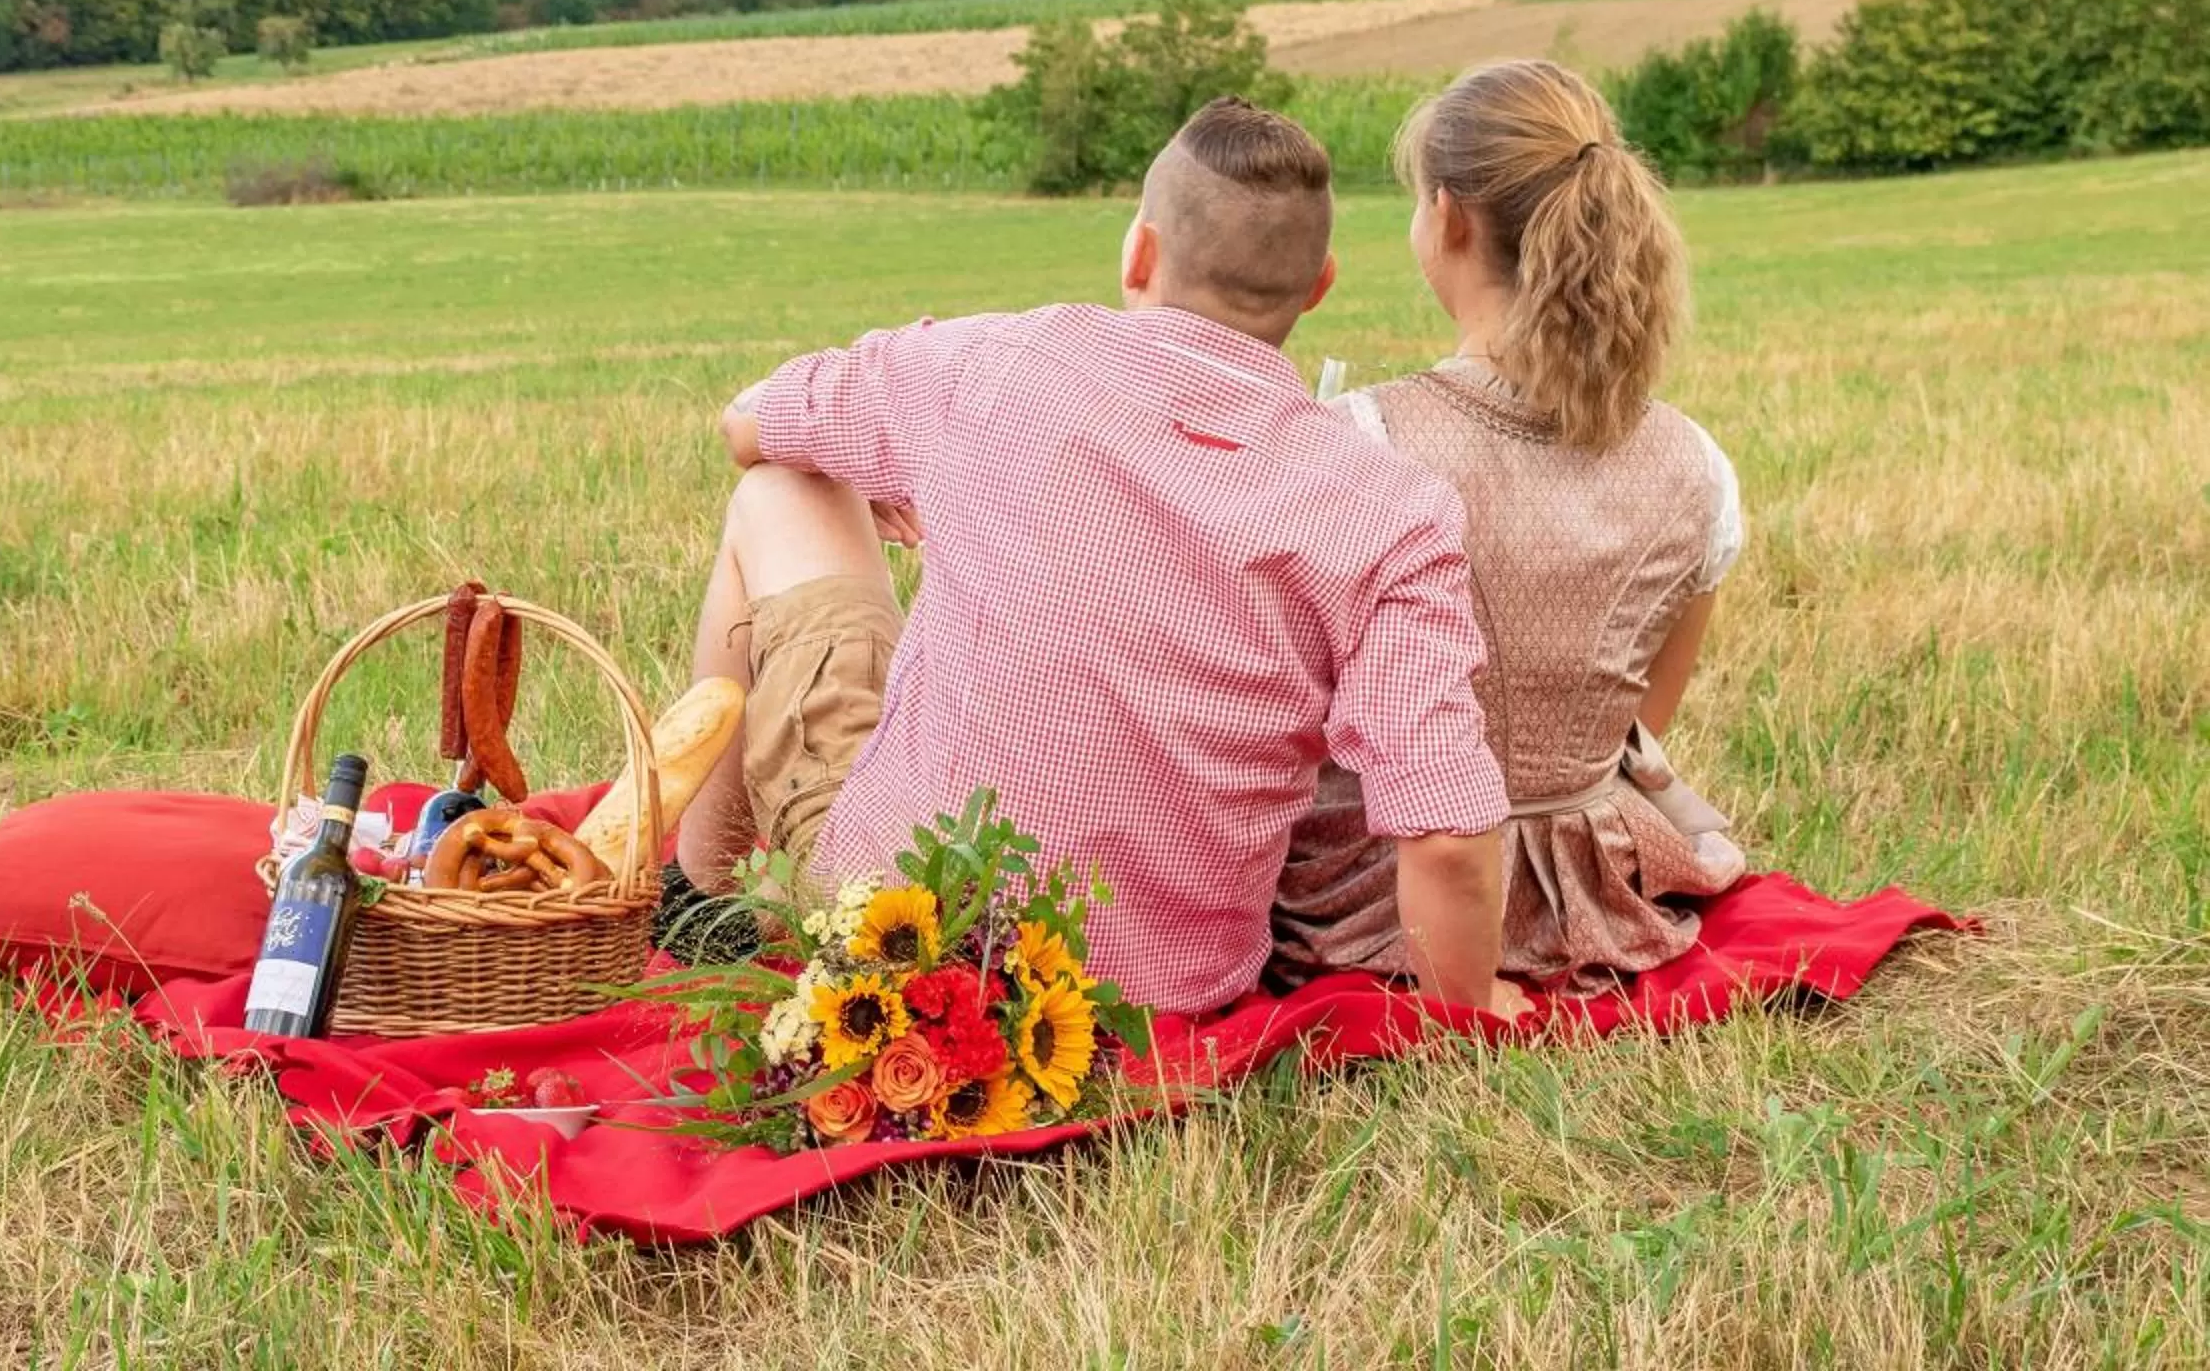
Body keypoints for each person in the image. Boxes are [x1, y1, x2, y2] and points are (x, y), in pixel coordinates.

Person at [673, 97, 1525, 1017]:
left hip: (892, 927)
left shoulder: (999, 360)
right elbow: (1443, 829)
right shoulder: (1394, 510)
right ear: (1318, 286)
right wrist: (1471, 1011)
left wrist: (850, 465)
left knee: (776, 490)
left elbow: (750, 423)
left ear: (1140, 254)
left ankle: (709, 891)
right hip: (1157, 997)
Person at [1272, 60, 1748, 996]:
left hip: (1382, 892)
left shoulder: (1361, 440)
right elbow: (1637, 726)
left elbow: (1290, 713)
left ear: (1447, 217)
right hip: (1593, 885)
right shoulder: (1698, 463)